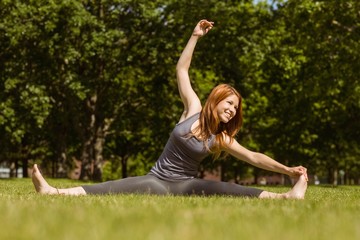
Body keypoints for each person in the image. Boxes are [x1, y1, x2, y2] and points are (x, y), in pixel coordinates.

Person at [32, 19, 308, 199]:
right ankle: (52, 192)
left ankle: (287, 197)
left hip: (186, 186)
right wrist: (195, 36)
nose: (233, 110)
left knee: (227, 189)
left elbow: (253, 157)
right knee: (113, 186)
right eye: (230, 104)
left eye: (236, 108)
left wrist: (286, 170)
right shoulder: (193, 108)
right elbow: (182, 69)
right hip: (156, 180)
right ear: (217, 99)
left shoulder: (221, 138)